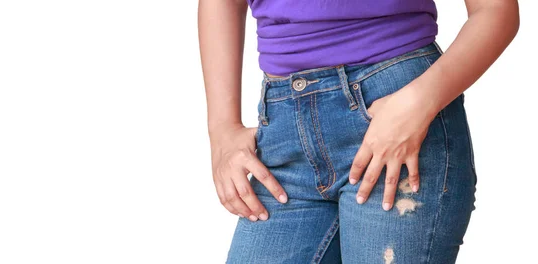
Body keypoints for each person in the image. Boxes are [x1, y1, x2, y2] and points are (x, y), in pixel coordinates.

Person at [198, 0, 519, 263]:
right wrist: (222, 130)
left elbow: (496, 10)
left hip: (397, 120)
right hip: (284, 131)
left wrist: (419, 102)